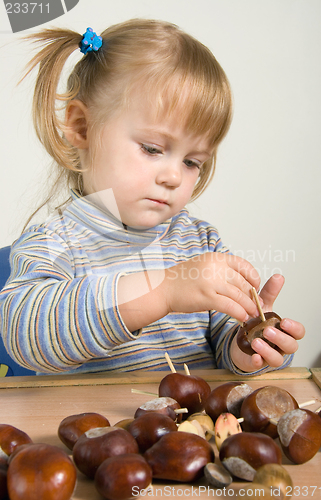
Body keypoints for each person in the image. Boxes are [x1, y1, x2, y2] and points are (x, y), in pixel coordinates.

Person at [0, 19, 304, 375]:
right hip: (99, 429)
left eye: (192, 162)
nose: (174, 176)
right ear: (82, 127)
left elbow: (224, 341)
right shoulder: (53, 242)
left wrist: (248, 344)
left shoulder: (200, 242)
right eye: (152, 148)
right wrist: (161, 291)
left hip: (192, 428)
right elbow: (25, 336)